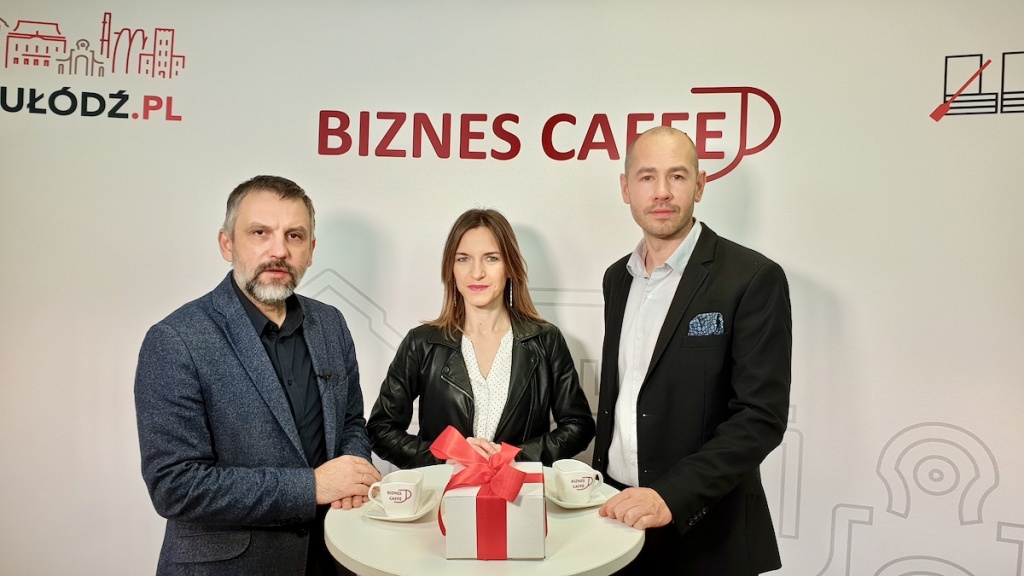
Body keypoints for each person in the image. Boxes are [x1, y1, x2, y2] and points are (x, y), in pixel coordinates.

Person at [134, 175, 382, 576]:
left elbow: (351, 420)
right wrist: (313, 487)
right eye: (260, 233)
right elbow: (175, 486)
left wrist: (352, 469)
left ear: (311, 250)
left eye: (294, 236)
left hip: (332, 557)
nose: (279, 251)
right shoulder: (176, 339)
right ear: (226, 244)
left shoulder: (330, 323)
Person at [594, 127, 792, 575]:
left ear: (700, 185)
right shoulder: (616, 279)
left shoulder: (752, 277)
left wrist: (671, 496)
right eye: (647, 177)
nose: (662, 192)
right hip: (619, 521)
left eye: (677, 176)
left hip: (708, 535)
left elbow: (760, 417)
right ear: (626, 188)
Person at [367, 209, 595, 468]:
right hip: (443, 489)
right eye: (463, 259)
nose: (477, 273)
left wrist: (515, 456)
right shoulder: (421, 343)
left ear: (510, 266)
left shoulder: (546, 341)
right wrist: (445, 456)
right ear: (451, 268)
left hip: (521, 489)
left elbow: (579, 426)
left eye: (491, 258)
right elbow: (381, 429)